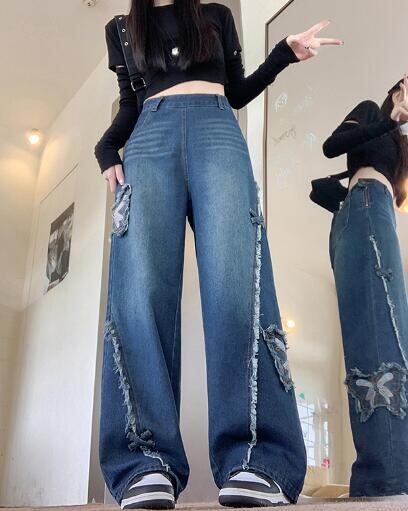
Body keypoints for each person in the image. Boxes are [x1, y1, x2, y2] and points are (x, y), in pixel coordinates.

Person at [94, 1, 342, 508]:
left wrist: (283, 54)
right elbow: (130, 102)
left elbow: (235, 90)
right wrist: (105, 150)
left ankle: (256, 457)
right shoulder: (121, 28)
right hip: (149, 139)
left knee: (236, 282)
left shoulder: (215, 14)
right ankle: (145, 461)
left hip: (217, 128)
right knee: (140, 291)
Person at [323, 75, 408, 497]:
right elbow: (331, 146)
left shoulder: (402, 146)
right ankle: (385, 476)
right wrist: (390, 120)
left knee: (386, 332)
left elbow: (400, 196)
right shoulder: (372, 112)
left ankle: (386, 472)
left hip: (378, 209)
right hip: (362, 206)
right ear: (398, 88)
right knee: (375, 332)